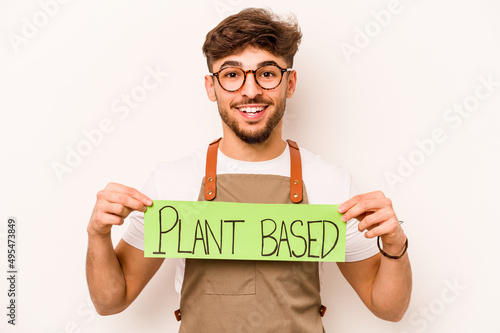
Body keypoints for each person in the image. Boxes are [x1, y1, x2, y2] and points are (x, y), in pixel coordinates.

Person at [86, 8, 411, 332]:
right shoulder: (173, 181)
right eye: (231, 74)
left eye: (267, 73)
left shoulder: (331, 184)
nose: (250, 90)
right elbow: (112, 300)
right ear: (211, 87)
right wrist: (98, 235)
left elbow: (388, 308)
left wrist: (395, 245)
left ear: (290, 82)